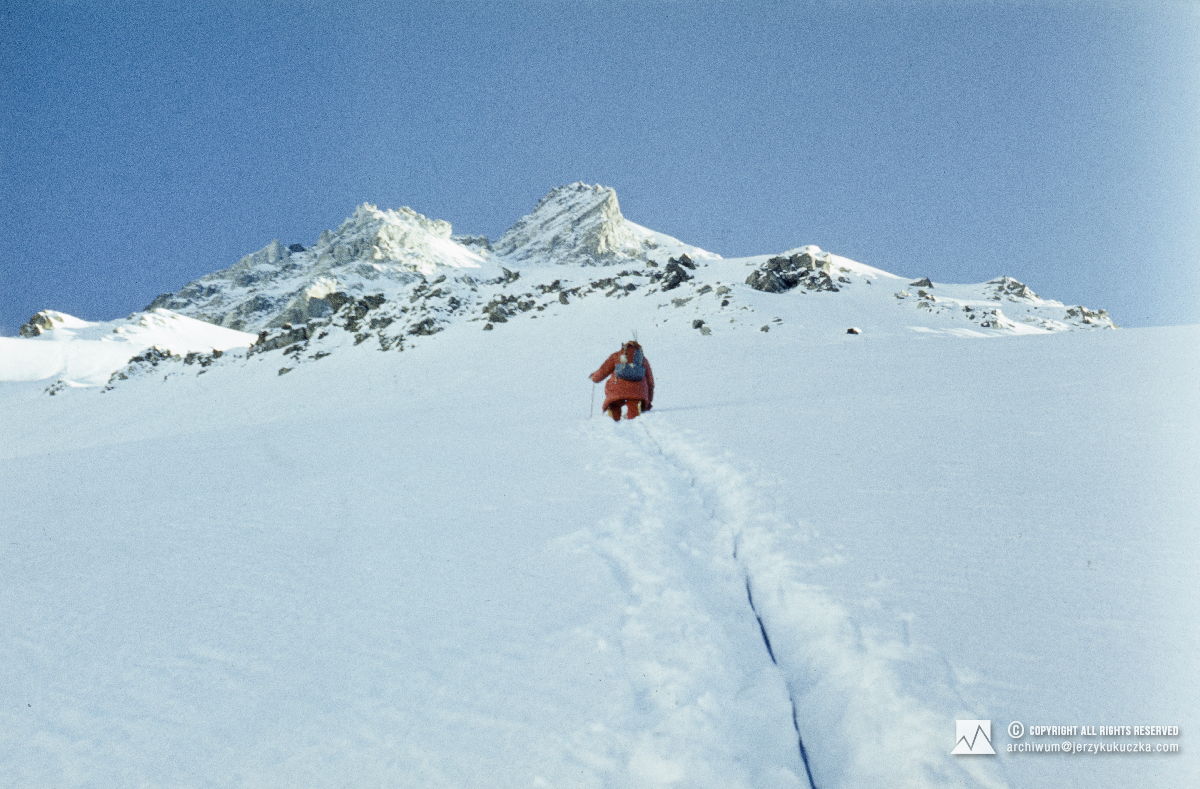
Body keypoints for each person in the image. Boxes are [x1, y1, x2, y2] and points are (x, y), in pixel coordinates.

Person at [590, 340, 654, 421]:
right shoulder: (642, 359)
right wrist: (648, 401)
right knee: (633, 405)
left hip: (617, 390)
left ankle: (614, 421)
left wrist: (594, 378)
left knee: (614, 404)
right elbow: (650, 382)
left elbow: (603, 371)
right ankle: (634, 420)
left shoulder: (616, 356)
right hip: (638, 391)